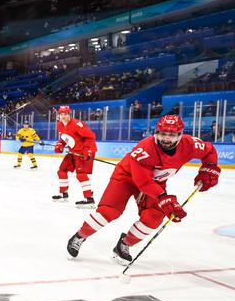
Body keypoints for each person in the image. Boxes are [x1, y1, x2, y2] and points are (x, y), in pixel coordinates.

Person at [66, 115, 220, 263]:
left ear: (180, 135)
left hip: (155, 183)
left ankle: (124, 244)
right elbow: (144, 183)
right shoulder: (145, 148)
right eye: (162, 134)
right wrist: (162, 197)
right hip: (126, 177)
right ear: (156, 132)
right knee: (109, 211)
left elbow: (209, 151)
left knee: (154, 217)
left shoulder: (191, 144)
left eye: (172, 135)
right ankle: (80, 236)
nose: (166, 139)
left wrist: (209, 167)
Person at [51, 105, 98, 208]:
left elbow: (91, 136)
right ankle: (63, 194)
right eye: (61, 114)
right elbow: (65, 138)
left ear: (69, 114)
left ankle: (89, 199)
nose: (63, 116)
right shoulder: (59, 125)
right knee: (62, 171)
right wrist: (60, 144)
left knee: (81, 174)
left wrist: (88, 150)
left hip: (84, 151)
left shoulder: (77, 124)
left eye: (66, 114)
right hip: (73, 152)